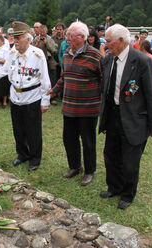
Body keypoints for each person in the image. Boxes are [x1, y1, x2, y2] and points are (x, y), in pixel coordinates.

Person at [99, 24, 152, 209]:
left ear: (121, 41)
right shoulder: (109, 60)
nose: (106, 44)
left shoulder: (141, 61)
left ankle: (127, 194)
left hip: (135, 119)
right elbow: (107, 92)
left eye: (109, 41)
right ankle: (114, 187)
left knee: (129, 161)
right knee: (110, 155)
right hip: (113, 116)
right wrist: (104, 120)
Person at [0, 21, 51, 171]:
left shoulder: (37, 54)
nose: (15, 41)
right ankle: (22, 154)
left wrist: (45, 100)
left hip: (32, 97)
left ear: (28, 38)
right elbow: (3, 71)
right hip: (16, 97)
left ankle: (35, 158)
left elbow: (45, 79)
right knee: (18, 129)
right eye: (14, 37)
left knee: (33, 130)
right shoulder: (12, 53)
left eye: (19, 37)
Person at [47, 21, 103, 186]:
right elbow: (65, 77)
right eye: (67, 35)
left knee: (88, 141)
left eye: (70, 35)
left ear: (82, 37)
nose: (67, 38)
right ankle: (74, 167)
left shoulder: (96, 56)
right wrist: (55, 90)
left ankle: (89, 171)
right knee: (69, 139)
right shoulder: (67, 54)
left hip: (88, 109)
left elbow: (104, 80)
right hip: (69, 107)